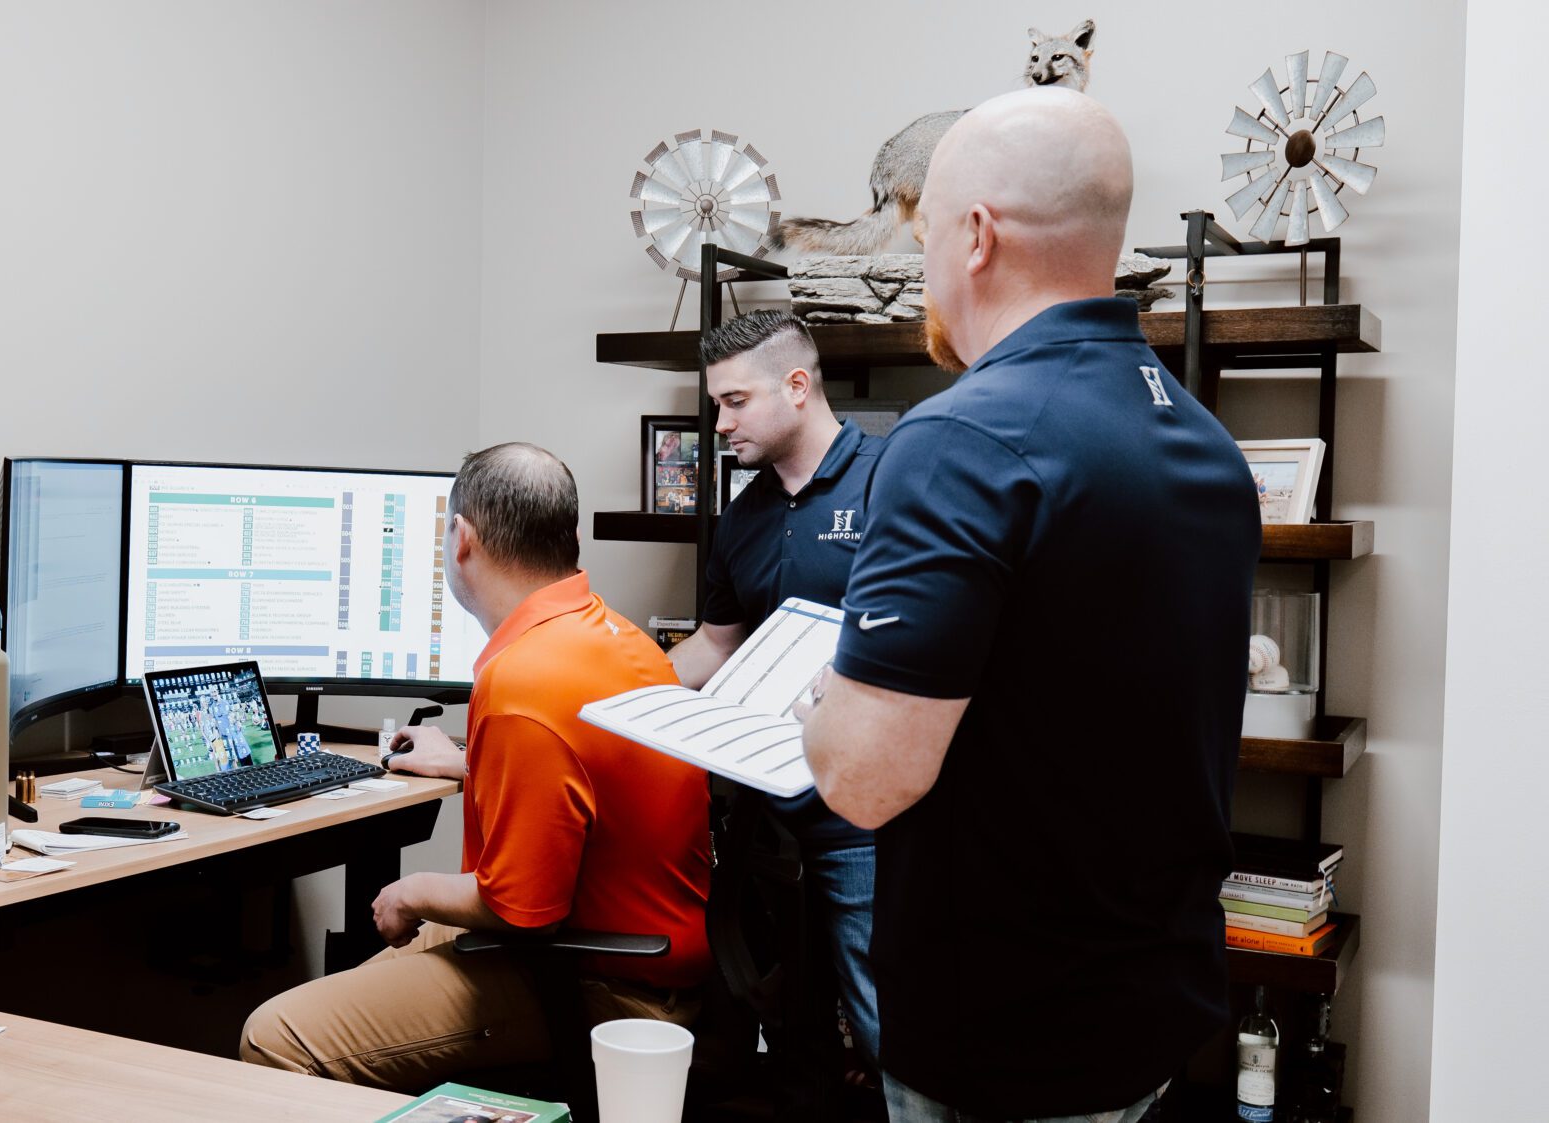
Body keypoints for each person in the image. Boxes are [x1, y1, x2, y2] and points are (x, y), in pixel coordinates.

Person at [797, 87, 1261, 1122]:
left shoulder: (957, 440)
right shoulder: (1202, 444)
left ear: (973, 235)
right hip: (1142, 1016)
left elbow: (864, 779)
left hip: (999, 1040)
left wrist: (820, 700)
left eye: (919, 239)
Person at [239, 442, 712, 1089]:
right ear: (569, 535)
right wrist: (469, 762)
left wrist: (410, 891)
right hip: (634, 949)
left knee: (276, 1037)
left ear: (461, 538)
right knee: (355, 989)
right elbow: (583, 779)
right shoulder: (613, 636)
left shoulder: (524, 681)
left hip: (599, 983)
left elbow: (521, 907)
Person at [665, 308, 885, 1072]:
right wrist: (627, 685)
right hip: (766, 816)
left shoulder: (891, 480)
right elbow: (716, 644)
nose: (720, 423)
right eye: (715, 403)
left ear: (797, 386)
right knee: (788, 1035)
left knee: (886, 1022)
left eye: (734, 402)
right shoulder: (743, 517)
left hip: (867, 818)